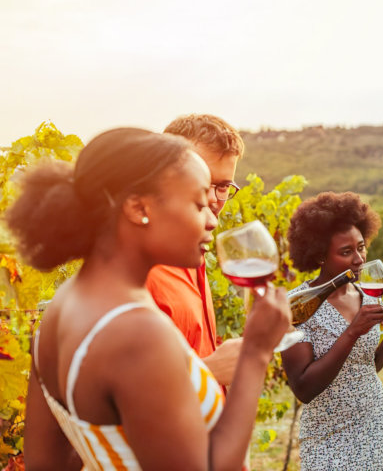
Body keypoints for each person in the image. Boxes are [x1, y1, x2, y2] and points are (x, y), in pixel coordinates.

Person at [8, 128, 291, 470]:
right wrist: (255, 355)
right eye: (198, 203)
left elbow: (47, 464)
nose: (212, 220)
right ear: (138, 207)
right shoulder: (138, 332)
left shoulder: (61, 311)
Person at [280, 191, 383, 471]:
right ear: (319, 255)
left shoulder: (367, 295)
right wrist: (352, 332)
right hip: (326, 438)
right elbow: (304, 389)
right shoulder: (297, 306)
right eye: (346, 252)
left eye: (361, 247)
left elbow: (365, 368)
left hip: (376, 427)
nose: (359, 259)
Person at [145, 114, 245, 386]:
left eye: (223, 186)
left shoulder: (193, 256)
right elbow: (127, 398)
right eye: (200, 185)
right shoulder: (138, 274)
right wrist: (209, 371)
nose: (213, 201)